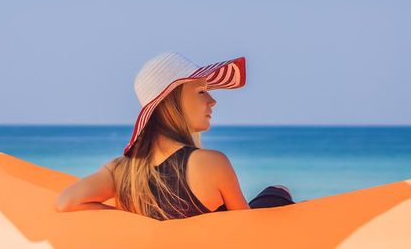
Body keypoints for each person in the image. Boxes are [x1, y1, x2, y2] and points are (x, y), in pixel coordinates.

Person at [55, 52, 295, 220]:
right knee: (278, 193)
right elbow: (247, 233)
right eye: (201, 91)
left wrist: (136, 221)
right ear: (171, 102)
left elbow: (67, 201)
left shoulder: (120, 171)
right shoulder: (210, 163)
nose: (213, 100)